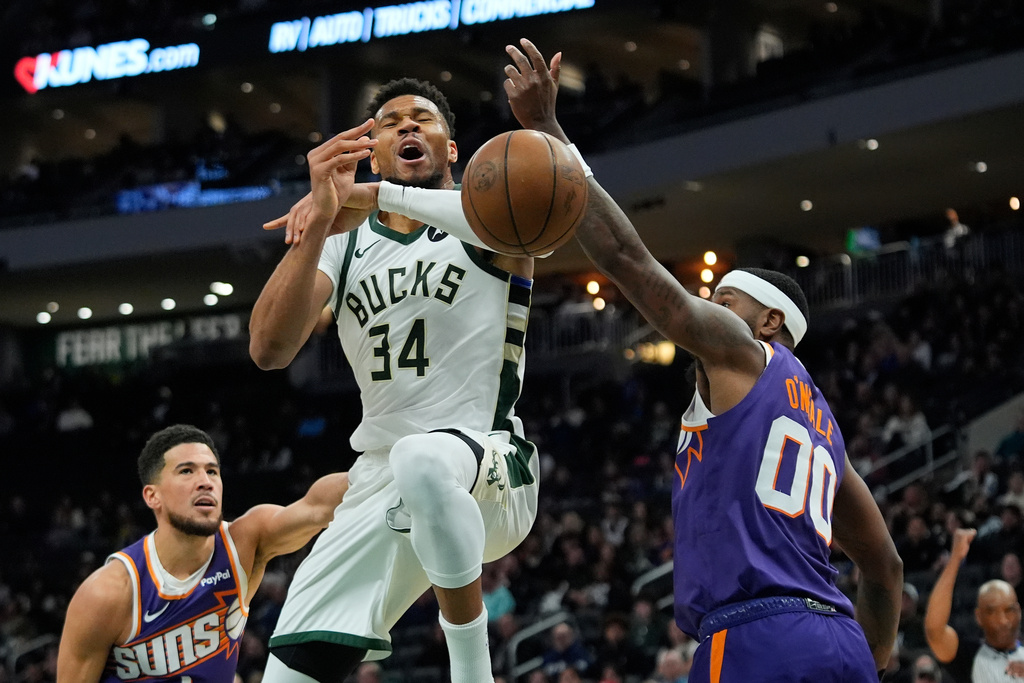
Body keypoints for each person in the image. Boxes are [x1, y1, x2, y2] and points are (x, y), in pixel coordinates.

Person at [500, 38, 903, 681]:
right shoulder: (827, 433)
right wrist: (868, 661)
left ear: (769, 321)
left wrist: (550, 136)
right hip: (837, 641)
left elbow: (631, 264)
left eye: (724, 298)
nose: (710, 307)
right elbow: (885, 569)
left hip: (754, 636)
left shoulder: (744, 352)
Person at [249, 75, 541, 683]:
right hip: (379, 480)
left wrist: (372, 194)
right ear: (370, 150)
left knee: (422, 458)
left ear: (452, 148)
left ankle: (472, 669)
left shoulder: (491, 210)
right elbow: (269, 350)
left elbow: (522, 212)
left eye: (424, 118)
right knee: (286, 676)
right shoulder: (347, 244)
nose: (408, 126)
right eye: (389, 123)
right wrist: (319, 224)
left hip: (490, 466)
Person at [56, 424, 349, 683]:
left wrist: (378, 468)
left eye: (212, 471)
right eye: (186, 471)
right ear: (152, 495)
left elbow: (316, 508)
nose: (205, 481)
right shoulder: (108, 593)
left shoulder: (243, 543)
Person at [924, 528, 1024, 681]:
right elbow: (934, 631)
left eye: (1008, 610)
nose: (1003, 620)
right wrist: (955, 558)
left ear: (1019, 612)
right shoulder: (970, 655)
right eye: (992, 612)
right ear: (979, 617)